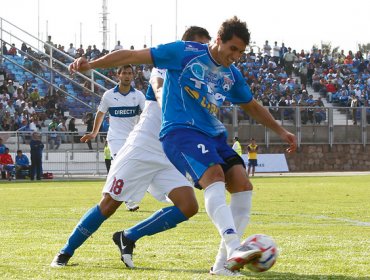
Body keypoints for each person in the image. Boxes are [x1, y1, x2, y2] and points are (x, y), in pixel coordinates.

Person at [68, 17, 297, 274]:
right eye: (233, 49)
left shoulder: (231, 75)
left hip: (212, 135)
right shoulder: (183, 53)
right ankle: (234, 246)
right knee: (214, 177)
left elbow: (251, 105)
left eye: (241, 52)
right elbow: (132, 56)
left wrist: (281, 130)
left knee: (243, 184)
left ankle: (224, 264)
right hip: (180, 132)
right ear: (218, 41)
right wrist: (91, 65)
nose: (236, 57)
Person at [51, 26, 213, 271]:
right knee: (109, 204)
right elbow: (149, 78)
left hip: (167, 154)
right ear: (186, 47)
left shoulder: (203, 83)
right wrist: (91, 64)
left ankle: (128, 236)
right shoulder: (167, 65)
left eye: (207, 47)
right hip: (140, 148)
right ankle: (65, 252)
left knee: (189, 206)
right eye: (200, 46)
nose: (204, 52)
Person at [80, 64, 145, 211]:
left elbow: (147, 113)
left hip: (133, 138)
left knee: (129, 168)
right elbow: (100, 113)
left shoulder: (139, 96)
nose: (127, 76)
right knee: (122, 165)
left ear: (133, 76)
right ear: (118, 75)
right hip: (115, 138)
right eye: (124, 73)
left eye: (130, 73)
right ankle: (128, 200)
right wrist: (94, 133)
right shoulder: (109, 95)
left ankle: (108, 192)